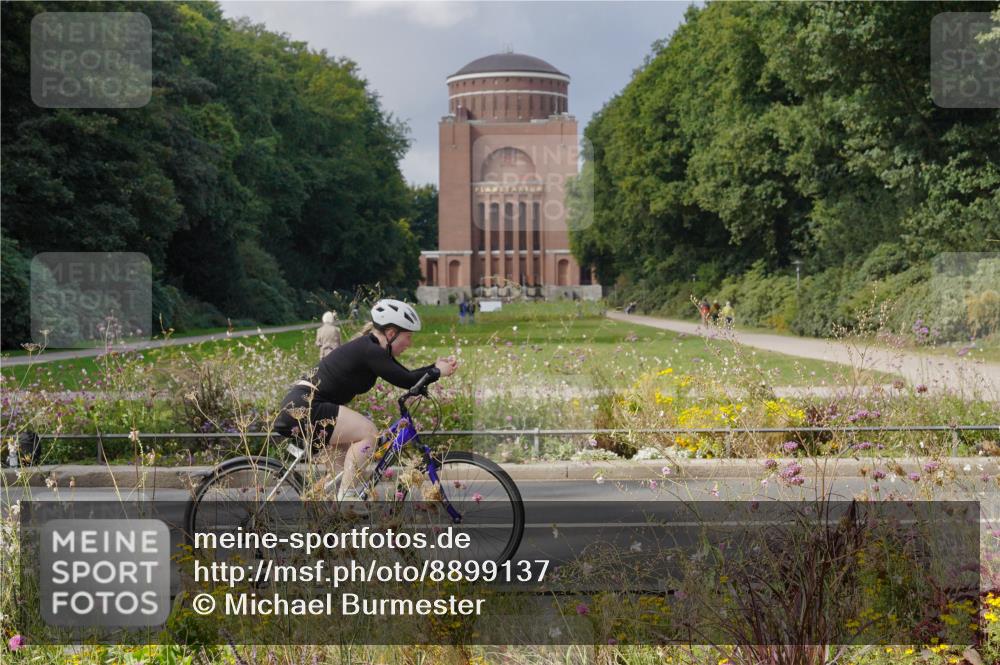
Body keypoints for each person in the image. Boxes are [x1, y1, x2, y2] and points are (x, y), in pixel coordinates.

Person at [273, 299, 459, 502]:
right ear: (390, 333)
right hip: (307, 406)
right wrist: (436, 371)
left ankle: (332, 515)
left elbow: (406, 375)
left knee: (343, 475)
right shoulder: (371, 351)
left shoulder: (371, 349)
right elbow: (406, 380)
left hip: (305, 406)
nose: (409, 343)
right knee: (368, 432)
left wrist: (434, 367)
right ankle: (347, 497)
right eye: (407, 336)